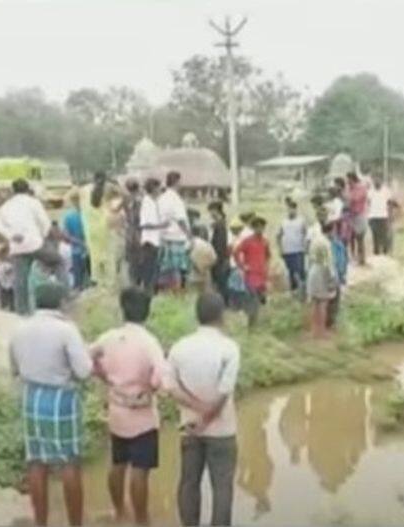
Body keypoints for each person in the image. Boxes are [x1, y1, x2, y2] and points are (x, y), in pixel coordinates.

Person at [8, 282, 92, 527]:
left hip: (31, 397)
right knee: (69, 462)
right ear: (62, 303)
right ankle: (75, 523)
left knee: (36, 461)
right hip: (61, 399)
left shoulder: (20, 329)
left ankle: (41, 522)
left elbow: (14, 368)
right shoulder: (66, 330)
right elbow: (84, 371)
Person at [90, 288, 166, 526]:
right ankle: (141, 520)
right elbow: (160, 377)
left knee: (117, 463)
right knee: (140, 470)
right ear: (147, 312)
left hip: (117, 410)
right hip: (142, 413)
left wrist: (104, 376)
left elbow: (89, 359)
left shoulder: (108, 338)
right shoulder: (149, 342)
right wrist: (150, 388)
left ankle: (119, 512)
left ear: (123, 309)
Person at [165, 292, 241, 527]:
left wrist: (196, 413)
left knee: (189, 482)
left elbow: (171, 388)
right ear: (222, 316)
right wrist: (207, 417)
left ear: (197, 315)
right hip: (222, 430)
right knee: (222, 487)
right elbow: (223, 392)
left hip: (189, 428)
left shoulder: (179, 348)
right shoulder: (229, 348)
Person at [0, 179, 52, 315]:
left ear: (13, 191)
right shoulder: (34, 202)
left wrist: (11, 236)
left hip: (17, 247)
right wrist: (42, 236)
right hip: (36, 245)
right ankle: (62, 297)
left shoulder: (6, 206)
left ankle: (22, 312)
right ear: (27, 189)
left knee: (20, 279)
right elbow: (46, 224)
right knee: (58, 262)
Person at [81, 170, 122, 289]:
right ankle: (110, 284)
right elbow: (124, 195)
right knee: (109, 257)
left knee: (95, 257)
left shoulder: (84, 189)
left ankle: (99, 284)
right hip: (107, 226)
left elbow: (69, 195)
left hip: (91, 228)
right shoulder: (109, 189)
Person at [156, 171, 191, 292]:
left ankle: (168, 291)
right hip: (177, 237)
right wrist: (189, 235)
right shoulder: (176, 199)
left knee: (166, 268)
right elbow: (181, 219)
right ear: (176, 182)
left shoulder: (161, 198)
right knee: (177, 268)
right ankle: (177, 291)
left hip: (164, 237)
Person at [233, 216, 270, 328]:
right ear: (253, 228)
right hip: (251, 276)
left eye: (261, 227)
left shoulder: (265, 242)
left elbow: (268, 255)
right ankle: (252, 326)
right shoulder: (247, 241)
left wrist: (266, 268)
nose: (259, 229)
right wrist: (242, 266)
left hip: (262, 276)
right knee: (252, 301)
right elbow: (235, 253)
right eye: (257, 227)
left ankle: (257, 324)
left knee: (261, 300)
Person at [307, 234, 337, 338]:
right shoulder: (326, 263)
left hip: (312, 276)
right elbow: (331, 274)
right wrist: (332, 284)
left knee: (314, 304)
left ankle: (314, 330)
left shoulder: (313, 262)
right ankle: (322, 331)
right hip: (322, 278)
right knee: (323, 305)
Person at [137, 178, 164, 293]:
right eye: (158, 188)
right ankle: (148, 291)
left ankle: (151, 291)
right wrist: (160, 226)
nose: (160, 190)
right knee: (149, 270)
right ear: (153, 188)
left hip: (155, 241)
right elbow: (144, 225)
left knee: (154, 269)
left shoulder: (154, 202)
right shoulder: (147, 203)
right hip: (149, 241)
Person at [276, 200, 307, 293]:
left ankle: (303, 289)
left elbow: (306, 234)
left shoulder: (301, 221)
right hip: (287, 250)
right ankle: (293, 290)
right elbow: (278, 236)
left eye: (293, 209)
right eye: (289, 209)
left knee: (300, 270)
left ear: (296, 209)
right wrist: (280, 249)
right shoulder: (283, 222)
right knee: (291, 271)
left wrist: (305, 247)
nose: (291, 211)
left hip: (298, 250)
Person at [62, 189, 88, 291]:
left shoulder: (69, 216)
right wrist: (83, 243)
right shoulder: (87, 214)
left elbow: (66, 236)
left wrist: (79, 243)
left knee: (79, 280)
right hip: (83, 250)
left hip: (77, 250)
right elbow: (66, 235)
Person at [325, 221, 348, 329]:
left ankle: (332, 321)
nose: (333, 233)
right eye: (331, 231)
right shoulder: (324, 245)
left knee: (336, 299)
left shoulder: (338, 244)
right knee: (328, 298)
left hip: (337, 274)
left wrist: (343, 274)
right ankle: (327, 321)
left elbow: (344, 259)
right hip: (327, 275)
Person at [208, 201, 230, 303]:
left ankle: (223, 303)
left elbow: (220, 243)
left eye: (211, 211)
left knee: (220, 282)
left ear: (216, 210)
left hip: (219, 258)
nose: (210, 214)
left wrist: (217, 258)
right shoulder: (220, 223)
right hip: (220, 257)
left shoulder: (220, 225)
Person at [122, 178, 143, 286]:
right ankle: (138, 282)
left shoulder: (125, 200)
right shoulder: (141, 200)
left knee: (131, 262)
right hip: (139, 233)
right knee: (140, 260)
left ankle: (133, 283)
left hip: (129, 233)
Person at [367, 174, 392, 256]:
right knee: (375, 233)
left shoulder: (386, 190)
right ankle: (376, 251)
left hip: (383, 215)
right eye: (375, 180)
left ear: (381, 181)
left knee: (384, 233)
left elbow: (389, 202)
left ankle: (385, 251)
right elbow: (368, 202)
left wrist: (390, 214)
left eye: (378, 180)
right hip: (373, 215)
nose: (376, 181)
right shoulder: (370, 191)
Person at [346, 172, 368, 265]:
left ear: (352, 179)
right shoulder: (349, 189)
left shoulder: (361, 188)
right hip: (351, 215)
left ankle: (361, 258)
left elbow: (355, 199)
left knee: (360, 238)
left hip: (359, 215)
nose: (347, 182)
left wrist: (349, 196)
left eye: (348, 179)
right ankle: (353, 256)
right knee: (351, 238)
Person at [0, 246, 15, 311]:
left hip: (9, 287)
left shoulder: (4, 265)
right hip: (6, 288)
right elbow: (0, 278)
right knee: (5, 303)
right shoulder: (4, 265)